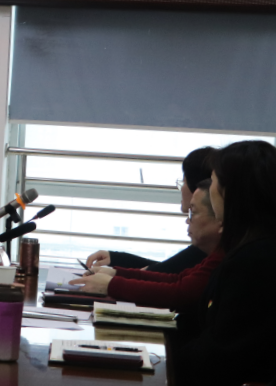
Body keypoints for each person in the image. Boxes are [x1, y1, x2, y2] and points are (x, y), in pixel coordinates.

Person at [172, 141, 276, 385]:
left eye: (213, 181)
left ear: (229, 192)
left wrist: (168, 358)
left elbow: (220, 354)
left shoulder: (253, 261)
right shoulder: (253, 249)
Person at [70, 179, 223, 311]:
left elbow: (179, 292)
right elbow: (176, 278)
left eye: (193, 212)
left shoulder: (223, 257)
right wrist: (114, 274)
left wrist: (111, 284)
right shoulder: (213, 255)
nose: (187, 220)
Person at [85, 146, 216, 273]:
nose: (181, 189)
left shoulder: (205, 240)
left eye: (184, 182)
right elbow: (169, 269)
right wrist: (114, 258)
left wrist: (111, 275)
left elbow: (164, 273)